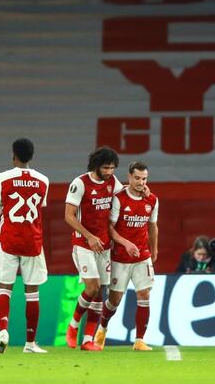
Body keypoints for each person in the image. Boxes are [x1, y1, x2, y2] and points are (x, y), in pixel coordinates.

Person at [0, 138, 50, 354]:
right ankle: (30, 344)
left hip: (8, 239)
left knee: (5, 287)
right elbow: (39, 208)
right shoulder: (43, 180)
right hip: (32, 241)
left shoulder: (3, 178)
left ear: (13, 155)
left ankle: (3, 330)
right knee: (32, 291)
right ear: (31, 156)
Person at [95, 161, 159, 351]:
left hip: (142, 256)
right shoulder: (119, 198)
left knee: (144, 294)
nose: (141, 182)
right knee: (114, 300)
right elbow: (110, 228)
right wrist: (126, 243)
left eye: (144, 178)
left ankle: (139, 340)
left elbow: (153, 226)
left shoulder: (152, 200)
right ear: (129, 177)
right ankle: (103, 328)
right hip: (120, 257)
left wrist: (154, 250)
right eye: (137, 178)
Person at [64, 146, 122, 351]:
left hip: (105, 245)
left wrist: (143, 191)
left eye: (113, 168)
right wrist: (89, 236)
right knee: (93, 287)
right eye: (106, 167)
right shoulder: (80, 183)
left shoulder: (113, 183)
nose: (109, 172)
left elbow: (124, 201)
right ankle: (73, 327)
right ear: (96, 165)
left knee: (101, 293)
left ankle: (88, 339)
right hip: (83, 243)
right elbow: (68, 216)